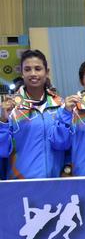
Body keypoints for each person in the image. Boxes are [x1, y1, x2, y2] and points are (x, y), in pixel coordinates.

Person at [0, 50, 65, 179]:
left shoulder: (60, 105)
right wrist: (3, 121)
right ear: (22, 73)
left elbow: (69, 144)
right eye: (28, 69)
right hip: (21, 183)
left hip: (55, 183)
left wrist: (67, 169)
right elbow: (2, 151)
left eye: (38, 69)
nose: (33, 74)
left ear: (47, 72)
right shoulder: (10, 107)